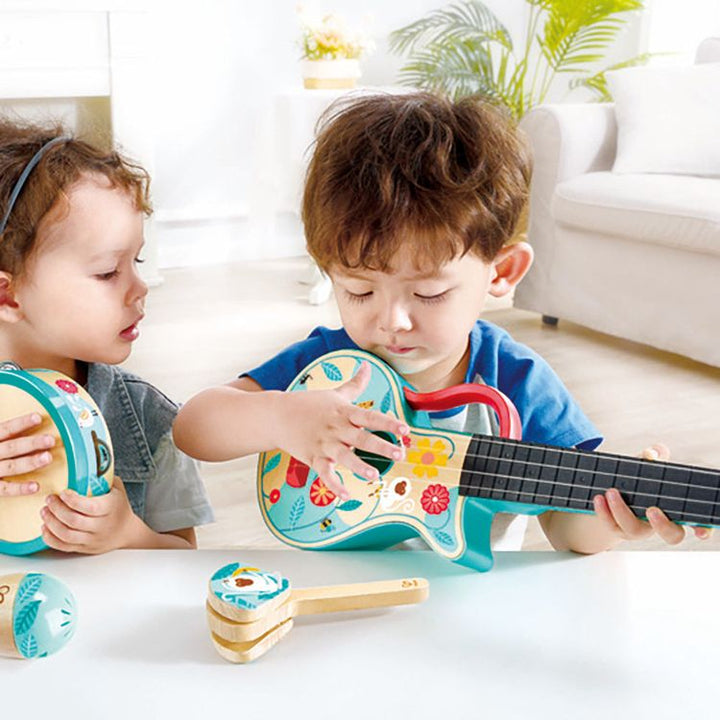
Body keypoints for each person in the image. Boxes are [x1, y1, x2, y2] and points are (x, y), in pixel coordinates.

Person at [173, 92, 709, 553]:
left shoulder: (517, 381)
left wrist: (617, 515)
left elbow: (565, 528)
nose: (391, 320)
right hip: (331, 595)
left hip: (463, 608)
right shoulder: (328, 369)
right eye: (359, 290)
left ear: (502, 272)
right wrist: (279, 418)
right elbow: (193, 427)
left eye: (428, 293)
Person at [0, 119, 213, 552]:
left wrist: (128, 536)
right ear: (8, 296)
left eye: (138, 260)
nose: (140, 287)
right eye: (107, 272)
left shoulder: (151, 420)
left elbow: (183, 558)